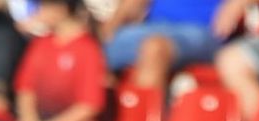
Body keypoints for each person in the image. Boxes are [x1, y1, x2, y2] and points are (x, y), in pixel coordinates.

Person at [13, 0, 106, 121]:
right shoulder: (41, 44)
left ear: (60, 8)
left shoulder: (87, 49)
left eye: (43, 6)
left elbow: (89, 105)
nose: (39, 12)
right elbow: (25, 88)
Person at [102, 0, 239, 96]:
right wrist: (106, 33)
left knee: (154, 48)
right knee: (96, 52)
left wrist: (237, 3)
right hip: (153, 28)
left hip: (204, 31)